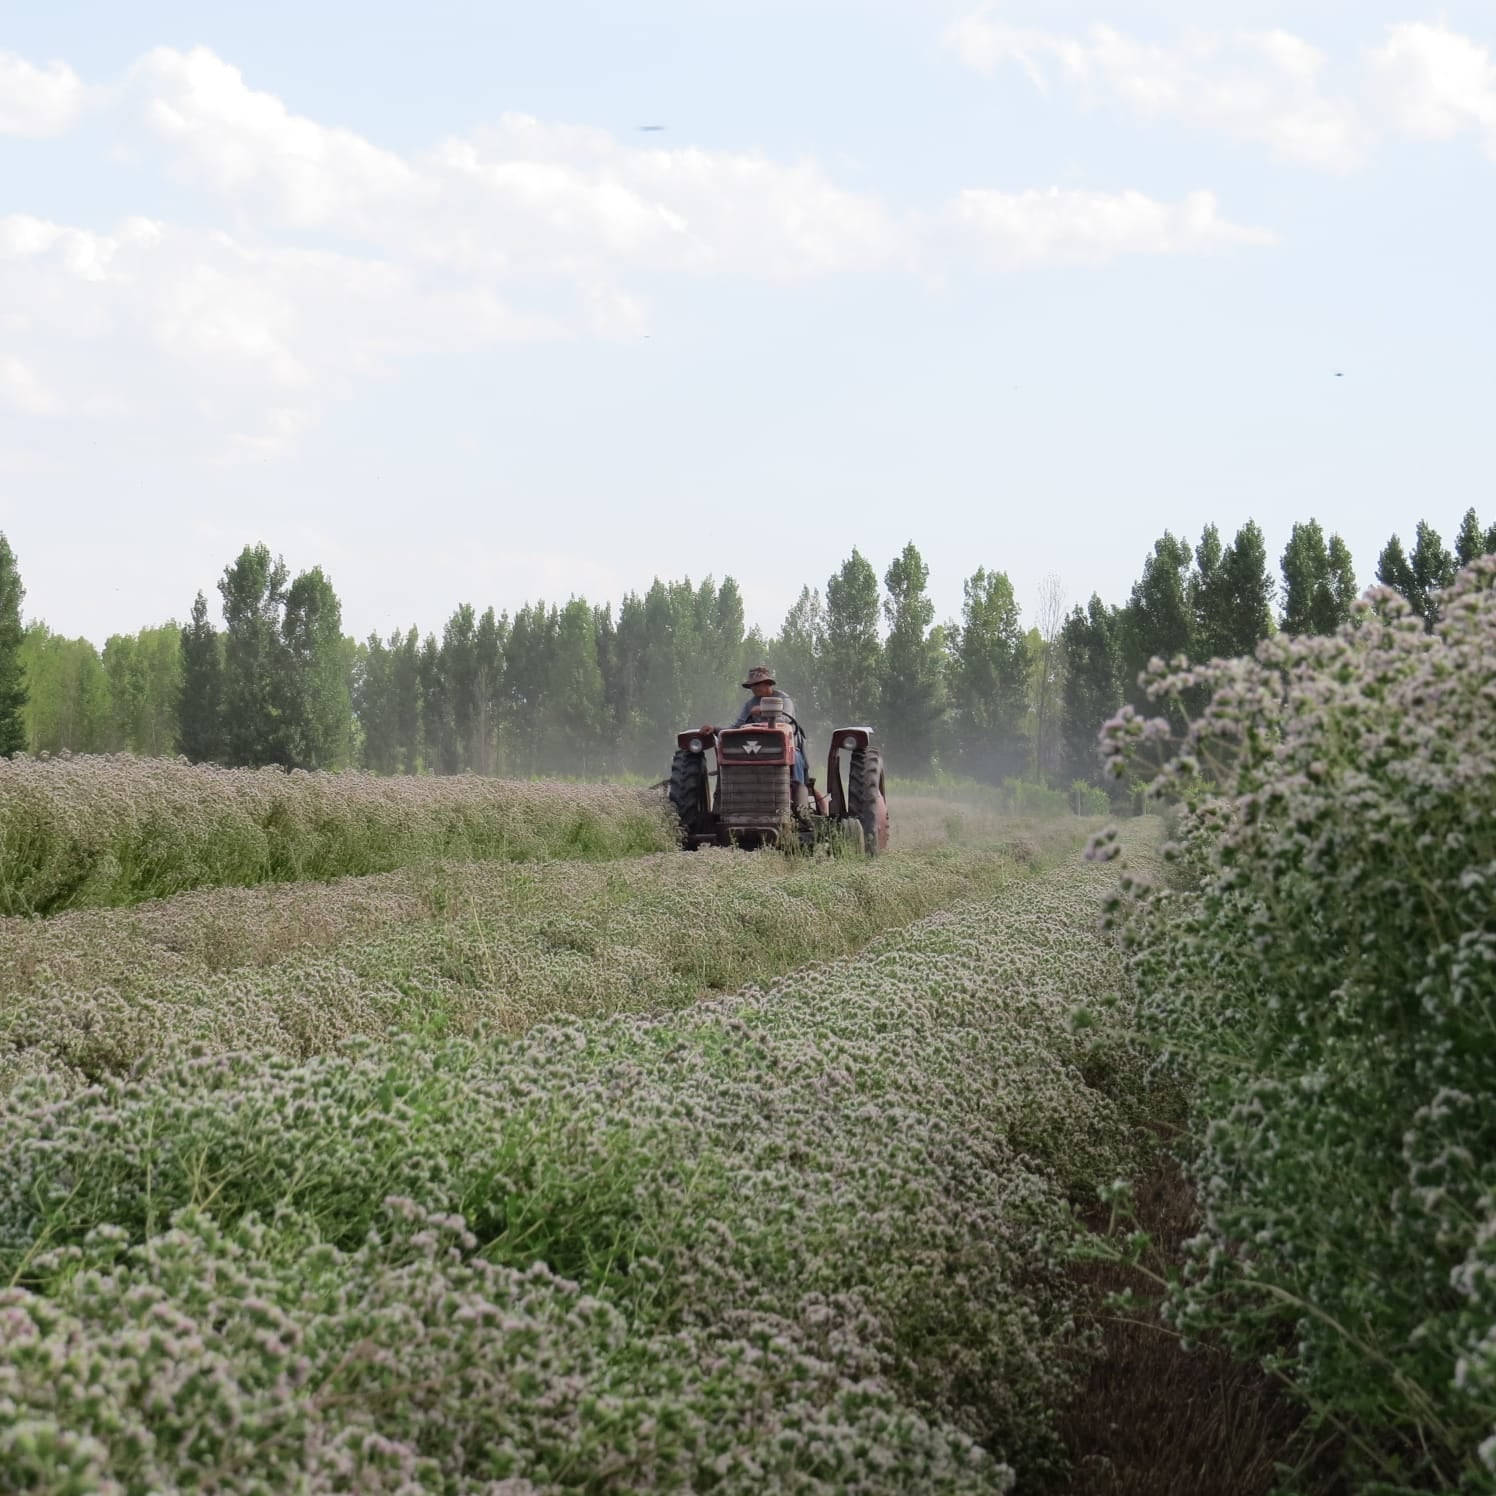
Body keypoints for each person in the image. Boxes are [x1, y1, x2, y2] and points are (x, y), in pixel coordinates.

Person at [700, 665, 809, 786]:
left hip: (785, 746)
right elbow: (738, 726)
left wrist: (763, 710)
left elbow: (785, 720)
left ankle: (799, 791)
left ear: (768, 683)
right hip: (758, 747)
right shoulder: (750, 704)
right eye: (752, 685)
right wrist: (715, 729)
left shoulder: (783, 699)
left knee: (796, 757)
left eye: (758, 684)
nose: (754, 688)